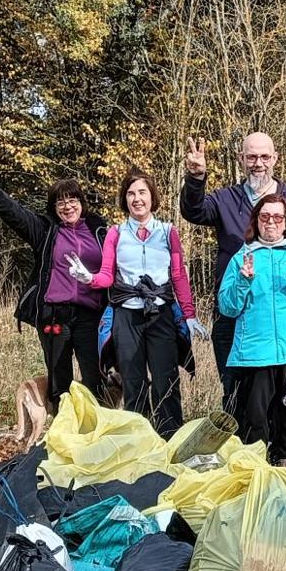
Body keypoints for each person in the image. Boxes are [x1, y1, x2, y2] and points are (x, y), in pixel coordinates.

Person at [69, 169, 208, 438]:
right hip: (126, 315)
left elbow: (178, 275)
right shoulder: (115, 233)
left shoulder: (168, 232)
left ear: (152, 196)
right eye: (131, 194)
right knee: (133, 383)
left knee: (165, 381)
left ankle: (170, 439)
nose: (137, 199)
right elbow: (108, 275)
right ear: (125, 200)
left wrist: (189, 315)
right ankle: (138, 441)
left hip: (161, 315)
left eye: (142, 192)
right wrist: (89, 278)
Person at [180, 133, 286, 406]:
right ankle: (239, 448)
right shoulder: (226, 199)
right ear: (241, 159)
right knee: (234, 392)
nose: (258, 163)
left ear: (275, 158)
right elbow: (193, 212)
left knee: (283, 398)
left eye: (265, 156)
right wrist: (195, 179)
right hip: (232, 314)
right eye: (251, 156)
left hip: (281, 318)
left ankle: (281, 450)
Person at [0, 162, 107, 411]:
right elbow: (16, 215)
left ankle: (95, 431)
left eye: (72, 199)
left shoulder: (99, 230)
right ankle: (62, 433)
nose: (68, 206)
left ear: (82, 202)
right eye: (60, 202)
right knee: (59, 378)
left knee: (94, 376)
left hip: (90, 314)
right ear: (54, 208)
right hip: (54, 314)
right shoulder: (46, 230)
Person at [218, 195, 286, 467]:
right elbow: (227, 307)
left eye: (277, 217)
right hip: (254, 353)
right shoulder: (242, 257)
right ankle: (254, 464)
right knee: (255, 416)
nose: (271, 223)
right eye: (265, 217)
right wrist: (243, 280)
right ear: (256, 221)